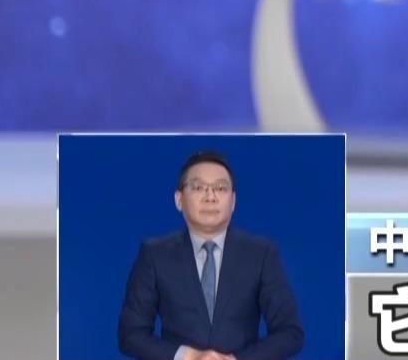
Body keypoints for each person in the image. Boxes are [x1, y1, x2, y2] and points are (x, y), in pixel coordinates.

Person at [118, 150, 304, 360]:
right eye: (198, 188)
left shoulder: (261, 253)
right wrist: (188, 356)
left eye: (220, 188)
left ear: (233, 201)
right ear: (179, 199)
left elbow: (290, 332)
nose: (210, 197)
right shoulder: (154, 253)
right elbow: (130, 334)